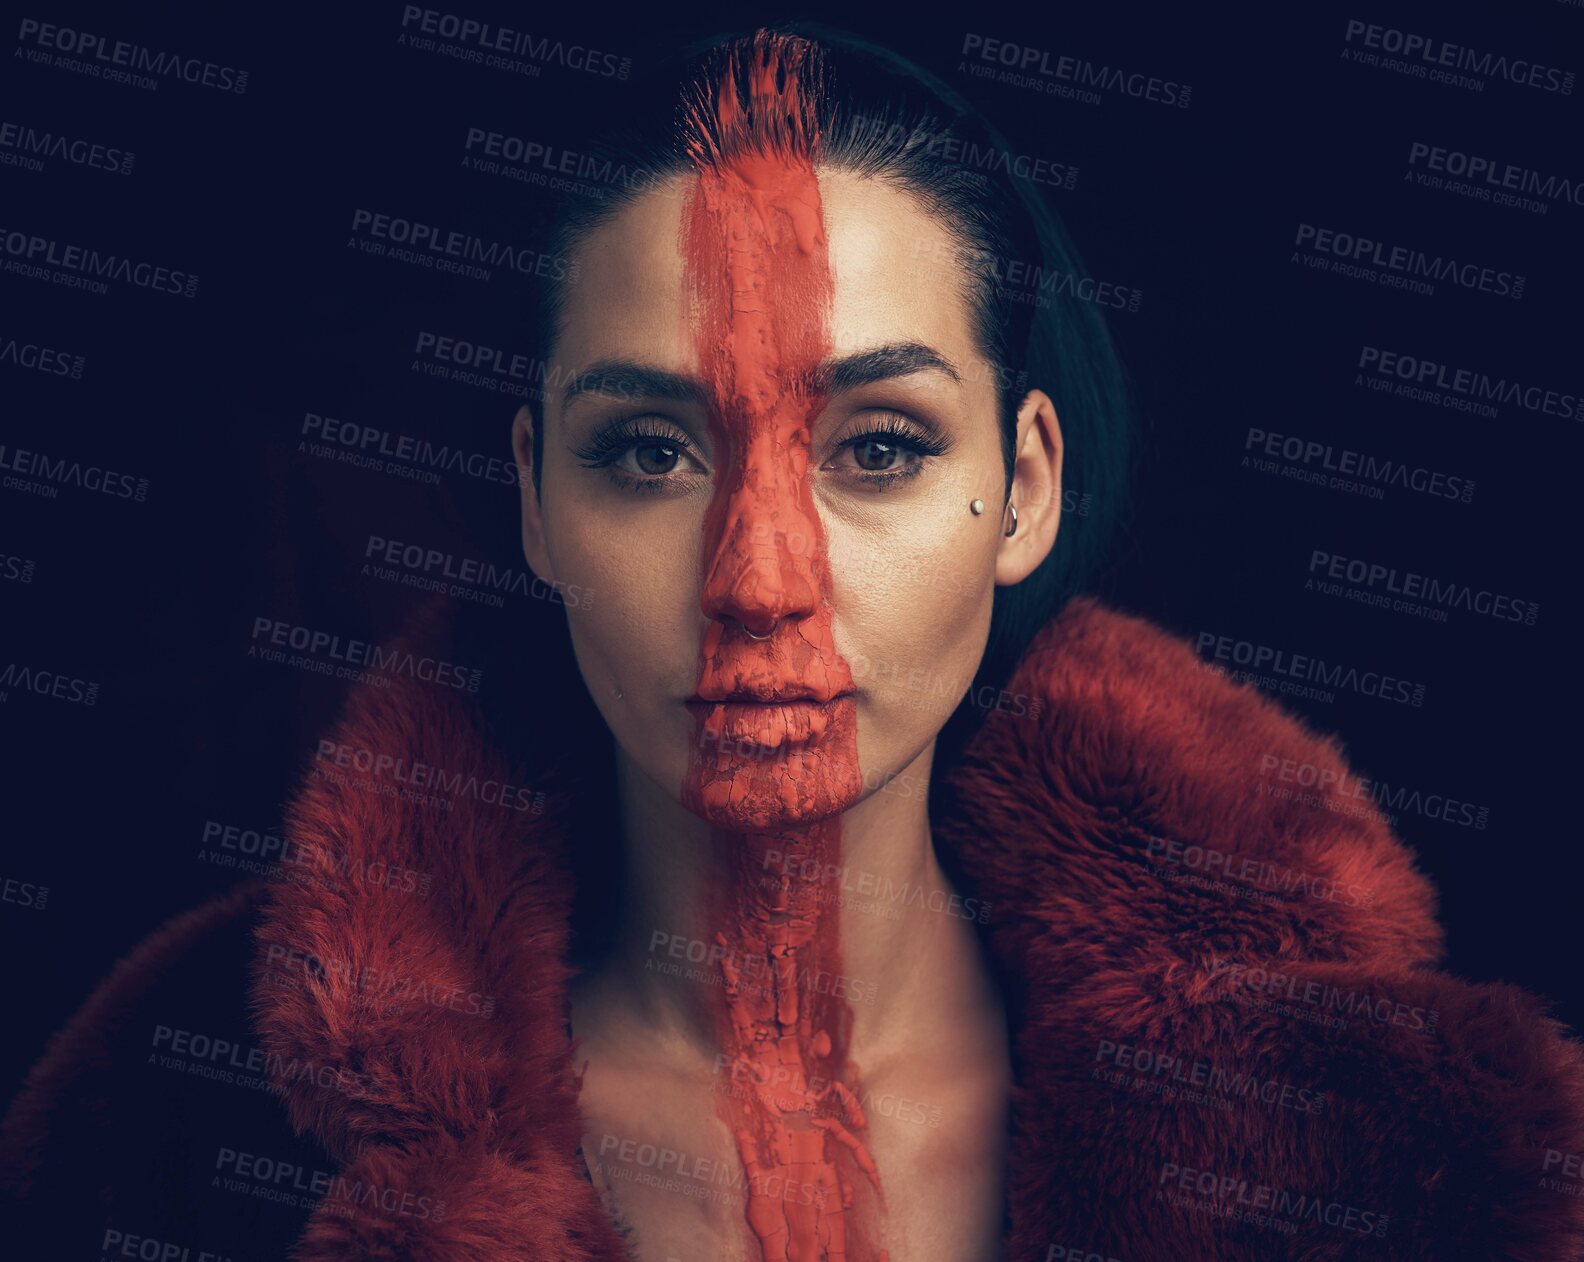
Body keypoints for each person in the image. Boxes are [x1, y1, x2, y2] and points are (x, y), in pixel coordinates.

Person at [5, 24, 1584, 1262]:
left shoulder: (1411, 1139)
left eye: (881, 446)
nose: (761, 579)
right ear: (537, 504)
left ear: (1024, 488)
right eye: (646, 452)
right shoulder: (184, 1103)